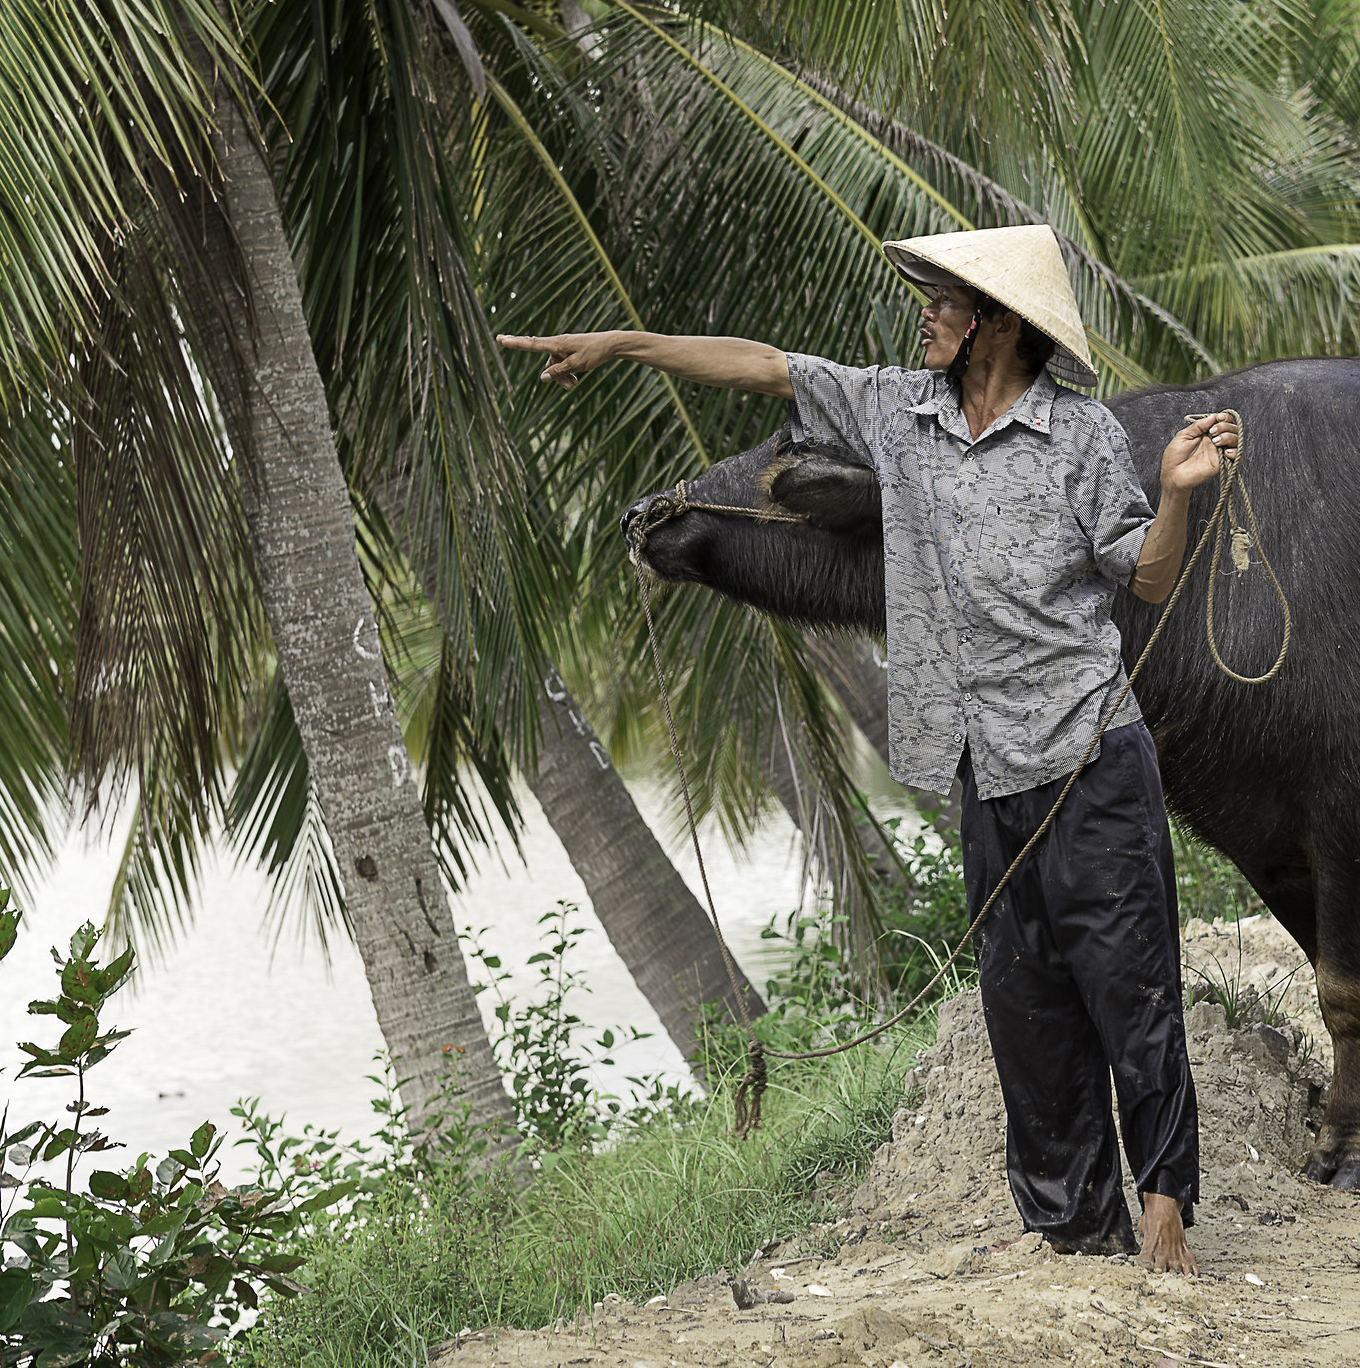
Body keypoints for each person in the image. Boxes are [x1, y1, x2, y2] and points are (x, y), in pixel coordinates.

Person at [499, 225, 1228, 1274]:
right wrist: (627, 342)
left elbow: (1147, 581)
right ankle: (1075, 1231)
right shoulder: (899, 413)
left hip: (1088, 761)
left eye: (941, 299)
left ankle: (1164, 1208)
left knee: (1132, 988)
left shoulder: (1082, 440)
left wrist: (1176, 491)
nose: (923, 313)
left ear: (1000, 324)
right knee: (1027, 1010)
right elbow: (763, 366)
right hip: (983, 767)